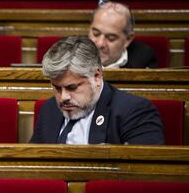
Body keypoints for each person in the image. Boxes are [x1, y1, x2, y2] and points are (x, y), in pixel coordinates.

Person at [30, 36, 164, 145]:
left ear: (97, 76)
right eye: (57, 88)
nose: (63, 97)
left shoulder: (134, 112)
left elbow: (145, 172)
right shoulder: (49, 110)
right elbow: (33, 167)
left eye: (72, 87)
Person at [88, 0, 158, 68]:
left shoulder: (143, 58)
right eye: (96, 34)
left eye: (110, 38)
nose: (100, 44)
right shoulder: (77, 51)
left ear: (128, 39)